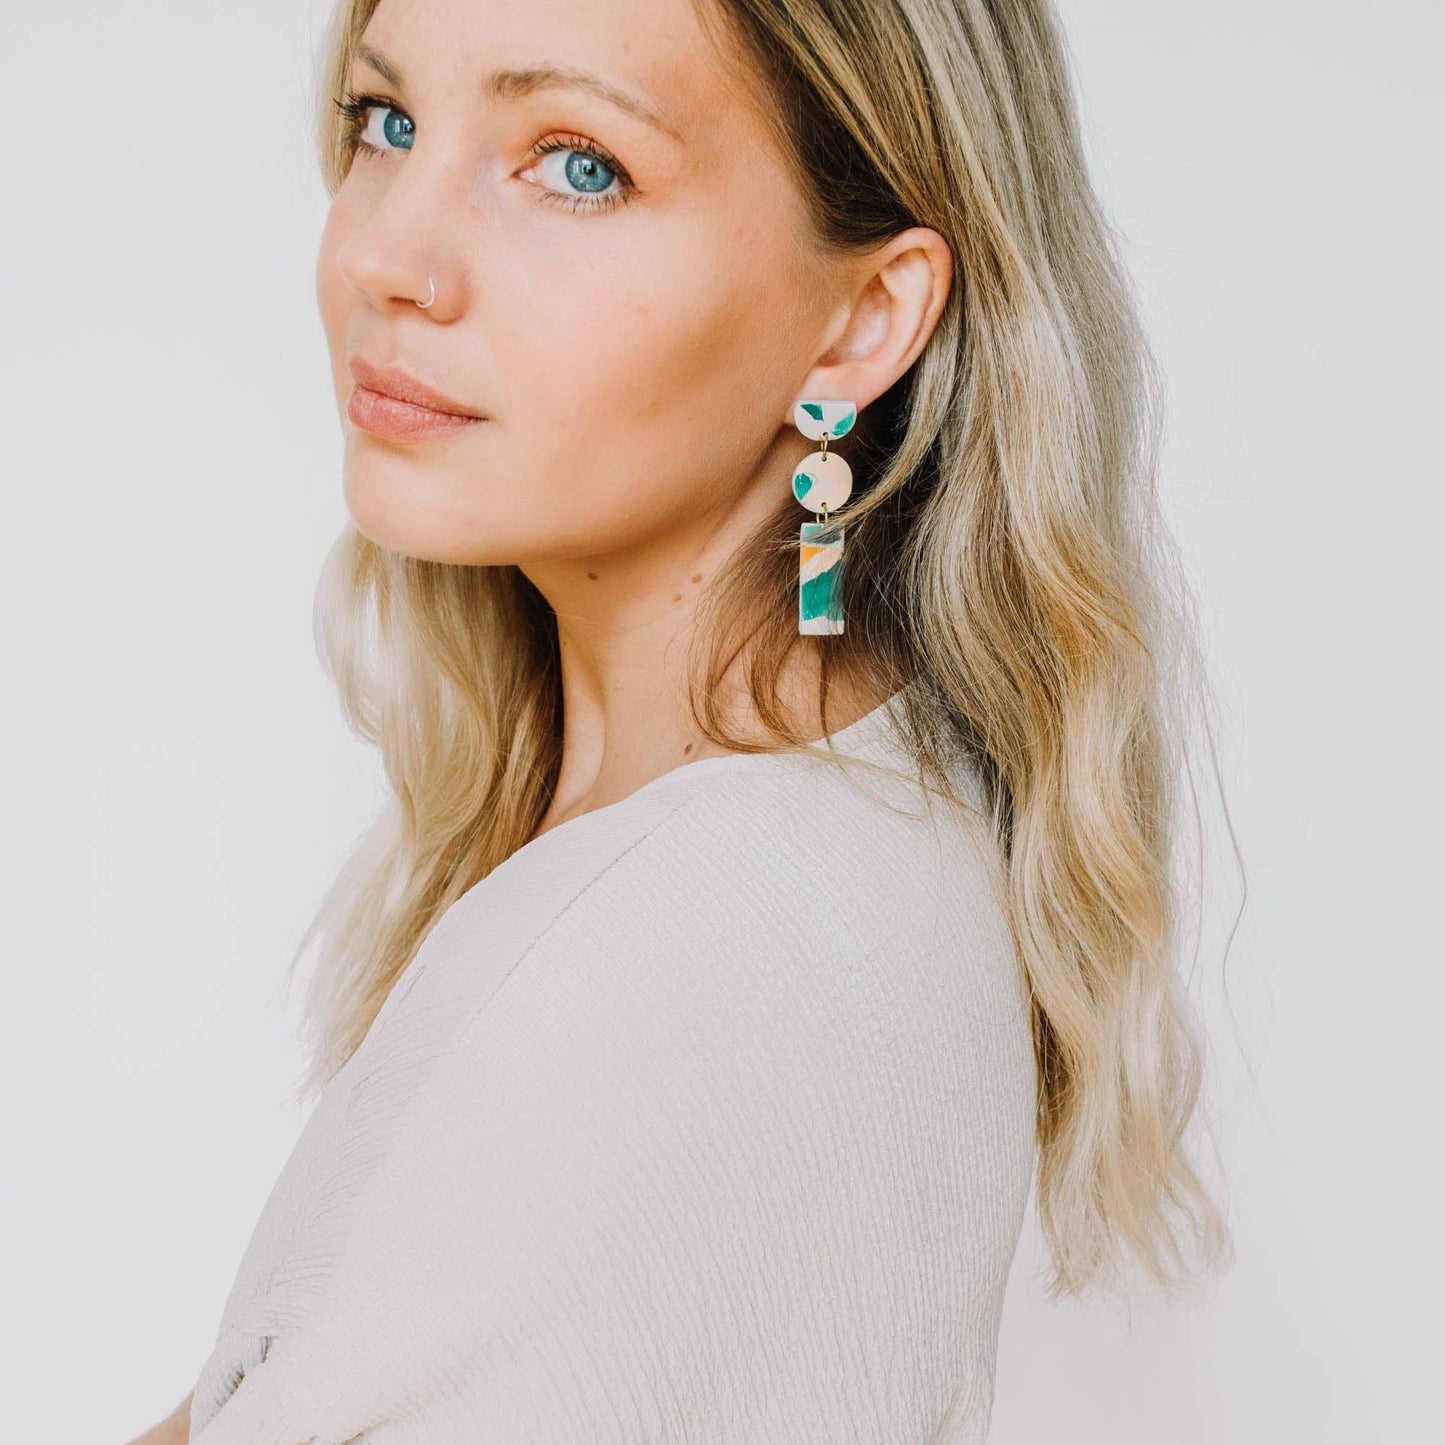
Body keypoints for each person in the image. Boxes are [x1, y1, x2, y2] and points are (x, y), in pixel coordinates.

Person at [128, 0, 1232, 1440]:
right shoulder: (803, 827)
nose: (385, 256)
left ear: (862, 319)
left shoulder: (705, 933)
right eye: (384, 122)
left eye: (576, 164)